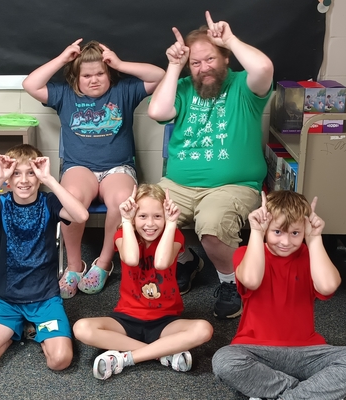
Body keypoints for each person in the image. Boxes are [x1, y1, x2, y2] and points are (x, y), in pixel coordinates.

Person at [148, 11, 274, 319]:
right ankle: (186, 261)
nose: (203, 68)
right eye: (196, 62)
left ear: (226, 59)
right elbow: (157, 112)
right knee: (144, 217)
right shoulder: (184, 87)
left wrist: (229, 38)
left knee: (213, 228)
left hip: (233, 186)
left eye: (210, 59)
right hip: (177, 184)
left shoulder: (245, 87)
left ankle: (231, 283)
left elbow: (264, 66)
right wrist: (175, 65)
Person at [22, 39, 165, 299]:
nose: (94, 80)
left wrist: (120, 63)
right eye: (86, 75)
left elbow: (160, 75)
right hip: (80, 168)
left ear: (109, 73)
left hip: (118, 168)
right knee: (70, 199)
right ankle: (75, 265)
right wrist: (63, 58)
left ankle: (104, 262)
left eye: (100, 73)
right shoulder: (65, 94)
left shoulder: (125, 91)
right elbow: (30, 84)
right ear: (75, 78)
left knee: (122, 201)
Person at [212, 190, 346, 400]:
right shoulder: (246, 253)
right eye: (278, 232)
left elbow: (328, 286)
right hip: (255, 351)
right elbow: (251, 280)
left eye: (295, 233)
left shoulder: (311, 256)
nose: (286, 241)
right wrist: (257, 233)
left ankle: (283, 394)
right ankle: (309, 391)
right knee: (223, 361)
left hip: (308, 352)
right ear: (267, 227)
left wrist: (314, 240)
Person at [73, 184, 213, 380]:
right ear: (134, 217)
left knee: (204, 330)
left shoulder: (173, 235)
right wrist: (125, 220)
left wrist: (172, 223)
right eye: (142, 216)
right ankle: (161, 353)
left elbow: (162, 263)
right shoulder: (123, 234)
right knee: (81, 328)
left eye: (157, 216)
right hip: (126, 319)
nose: (150, 224)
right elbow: (131, 258)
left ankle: (126, 358)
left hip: (165, 321)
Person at [0, 144, 89, 373]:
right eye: (16, 173)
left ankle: (33, 328)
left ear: (39, 177)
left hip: (45, 301)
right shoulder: (1, 203)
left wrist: (50, 179)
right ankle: (19, 329)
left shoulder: (49, 202)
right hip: (8, 301)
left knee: (60, 360)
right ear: (9, 179)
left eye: (31, 173)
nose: (24, 180)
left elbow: (81, 215)